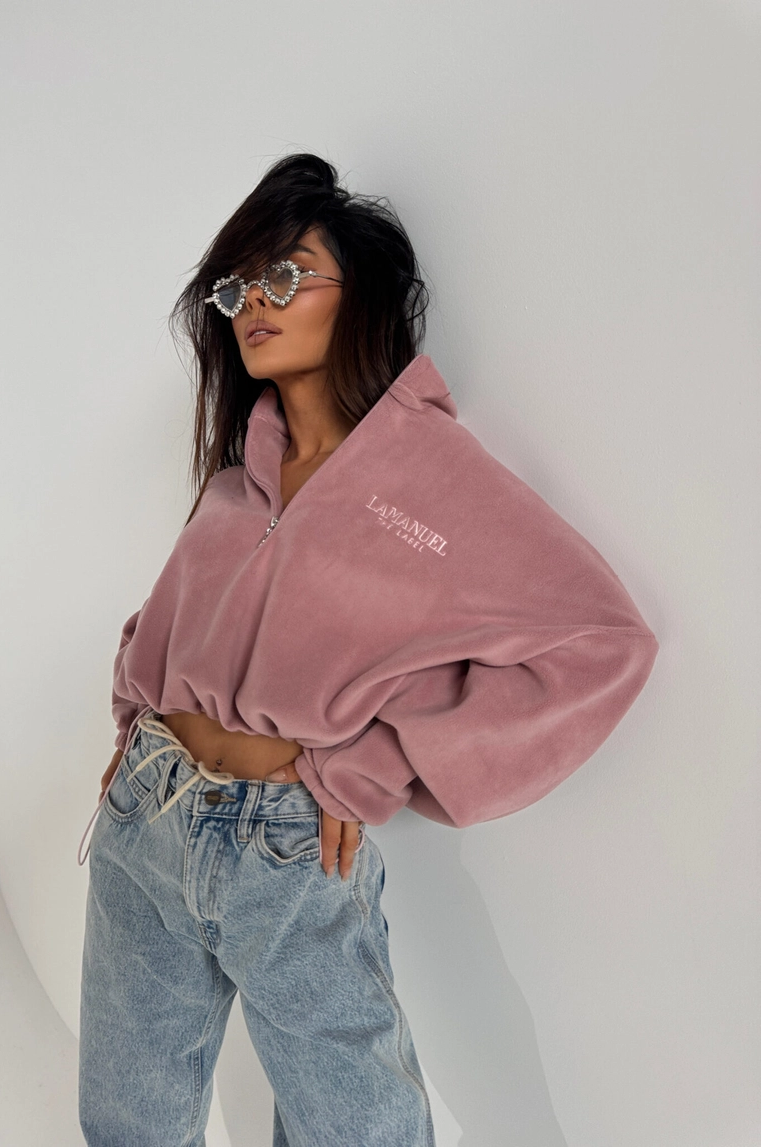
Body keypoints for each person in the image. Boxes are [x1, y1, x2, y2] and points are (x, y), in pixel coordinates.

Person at [77, 153, 659, 1147]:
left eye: (286, 273)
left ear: (362, 295)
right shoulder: (238, 480)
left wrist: (373, 759)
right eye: (236, 288)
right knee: (124, 1127)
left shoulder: (427, 476)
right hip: (144, 821)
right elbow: (166, 623)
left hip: (288, 846)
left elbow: (601, 641)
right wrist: (137, 723)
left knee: (360, 1132)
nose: (256, 304)